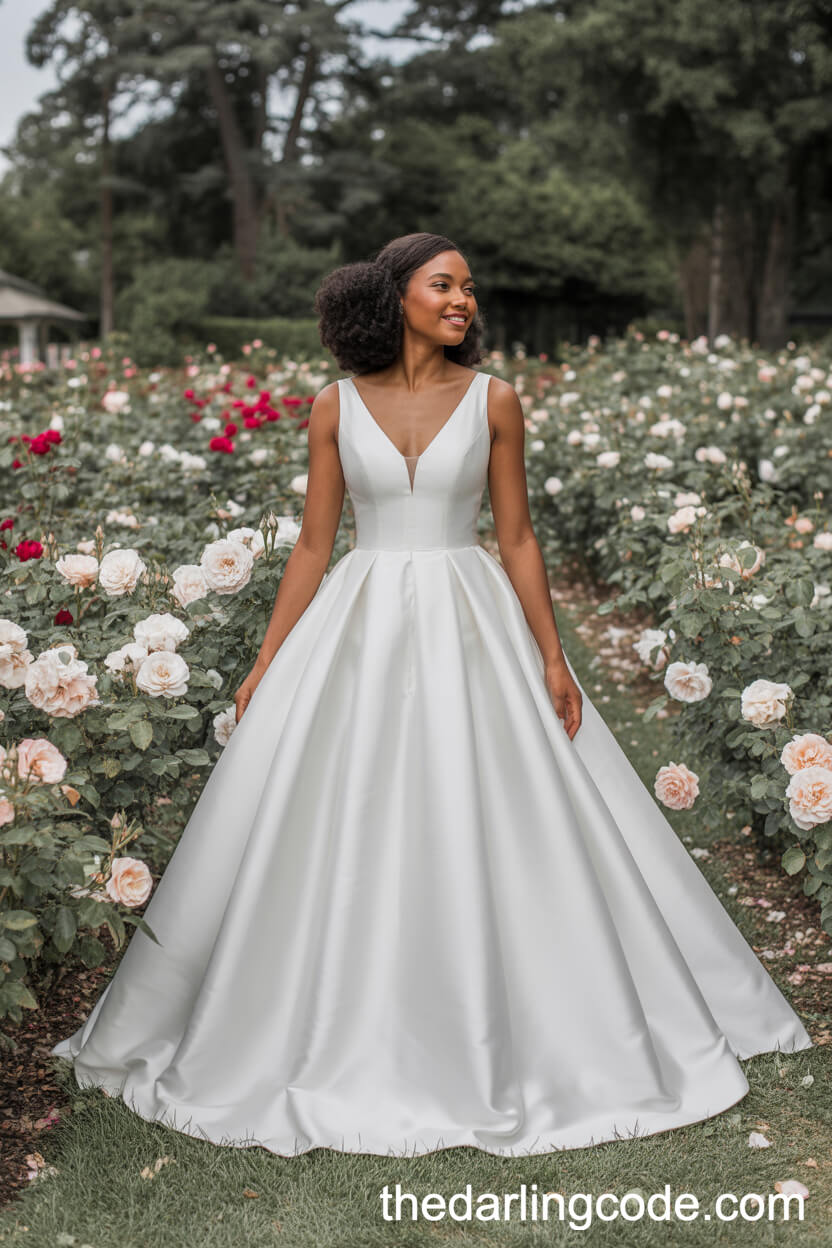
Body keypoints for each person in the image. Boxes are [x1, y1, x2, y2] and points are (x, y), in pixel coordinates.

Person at [52, 232, 813, 1158]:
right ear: (395, 296)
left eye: (470, 289)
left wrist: (553, 656)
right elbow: (313, 543)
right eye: (444, 285)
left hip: (468, 615)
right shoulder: (334, 406)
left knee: (498, 798)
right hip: (360, 620)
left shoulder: (496, 400)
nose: (464, 301)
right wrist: (265, 660)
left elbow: (518, 536)